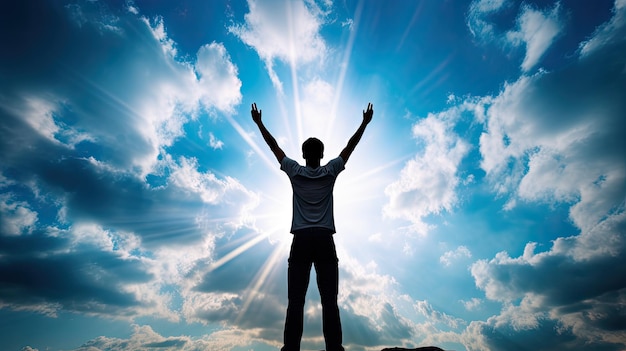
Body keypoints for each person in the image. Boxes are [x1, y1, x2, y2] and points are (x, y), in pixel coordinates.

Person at [251, 102, 373, 351]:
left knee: (295, 300)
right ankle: (334, 348)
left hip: (302, 240)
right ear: (322, 153)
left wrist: (259, 123)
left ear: (304, 154)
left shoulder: (295, 171)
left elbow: (274, 147)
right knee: (330, 300)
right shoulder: (330, 171)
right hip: (324, 240)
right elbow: (350, 147)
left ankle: (291, 348)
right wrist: (364, 123)